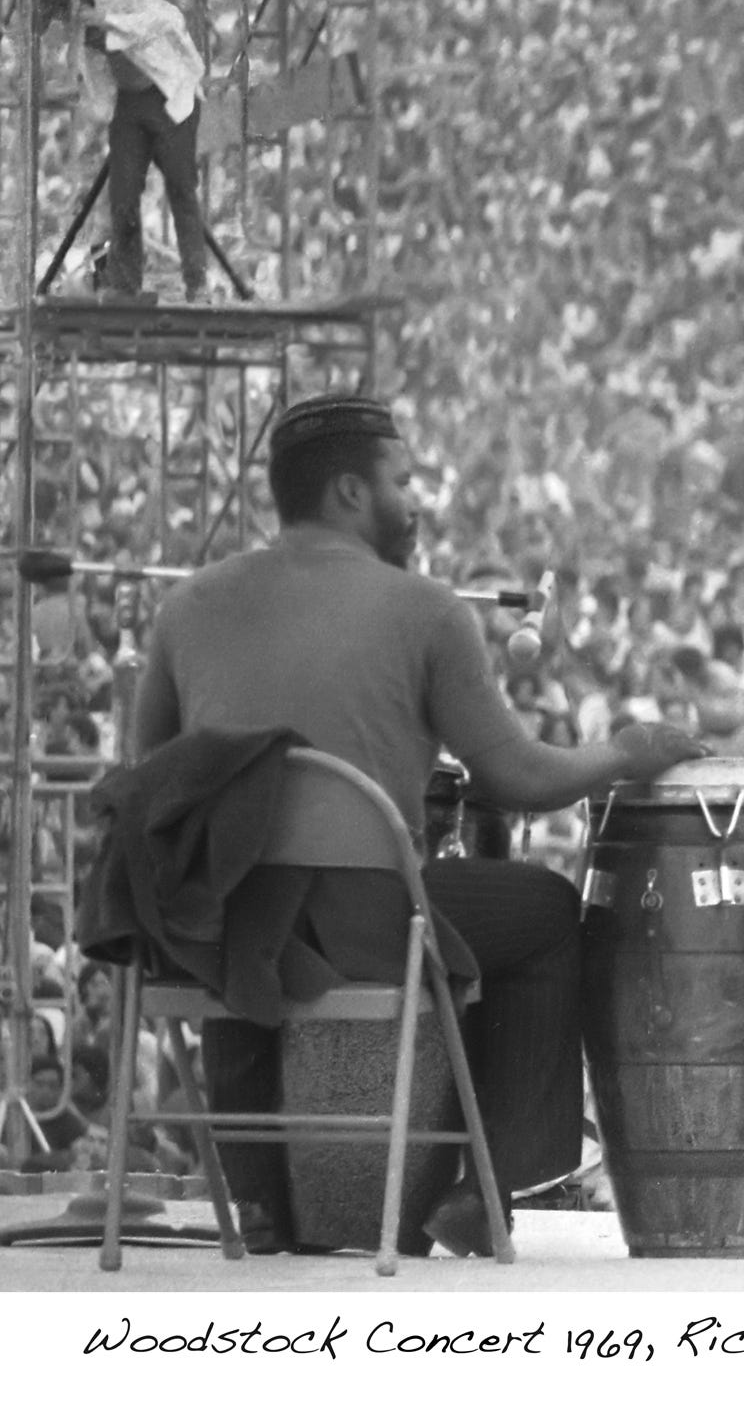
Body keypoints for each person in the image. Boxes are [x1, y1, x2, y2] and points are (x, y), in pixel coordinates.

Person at [130, 393, 708, 1255]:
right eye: (405, 481)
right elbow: (516, 777)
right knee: (542, 914)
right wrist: (624, 750)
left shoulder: (185, 609)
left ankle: (256, 1199)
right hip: (365, 927)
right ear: (351, 494)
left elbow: (149, 783)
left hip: (210, 933)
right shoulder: (429, 610)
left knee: (252, 899)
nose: (420, 499)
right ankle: (485, 1187)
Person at [81, 0, 211, 299]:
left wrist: (109, 21)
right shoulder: (79, 30)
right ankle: (125, 285)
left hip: (170, 95)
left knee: (182, 189)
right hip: (130, 105)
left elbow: (168, 17)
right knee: (123, 196)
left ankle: (197, 283)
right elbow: (97, 89)